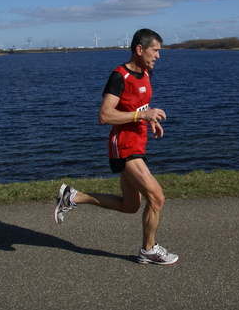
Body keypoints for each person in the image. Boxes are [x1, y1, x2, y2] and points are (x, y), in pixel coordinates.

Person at [54, 28, 178, 265]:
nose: (159, 56)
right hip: (123, 145)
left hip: (138, 142)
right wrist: (141, 117)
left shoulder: (146, 73)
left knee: (130, 205)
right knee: (157, 198)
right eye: (156, 50)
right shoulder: (119, 76)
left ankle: (74, 197)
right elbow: (104, 116)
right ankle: (148, 250)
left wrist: (149, 119)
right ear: (140, 49)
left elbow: (140, 105)